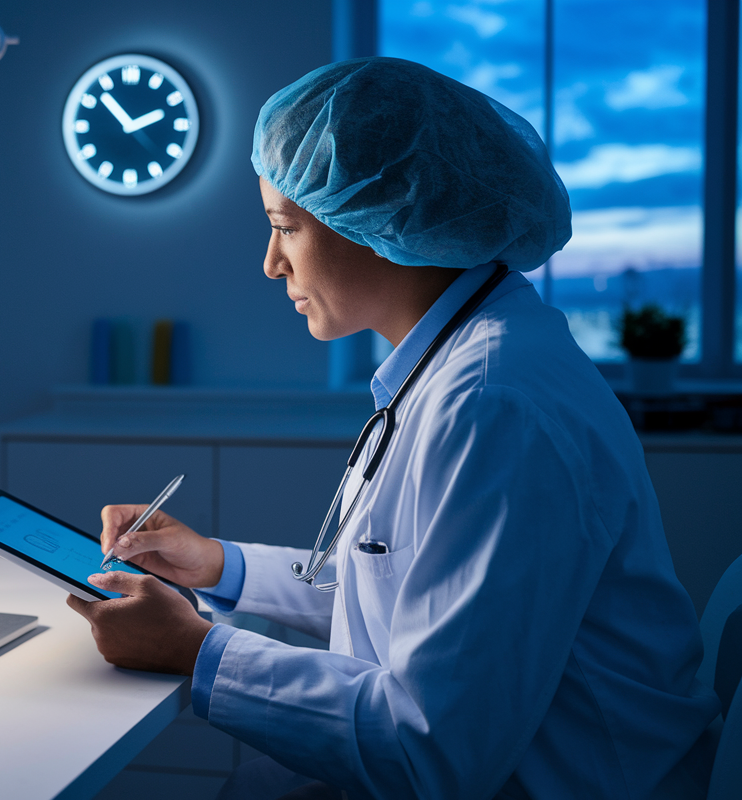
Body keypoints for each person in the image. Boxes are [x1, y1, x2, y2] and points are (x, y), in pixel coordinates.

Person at [66, 57, 719, 799]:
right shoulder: (462, 360)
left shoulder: (493, 402)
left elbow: (430, 752)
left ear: (376, 223)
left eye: (285, 226)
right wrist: (216, 565)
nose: (271, 263)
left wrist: (198, 652)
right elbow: (407, 597)